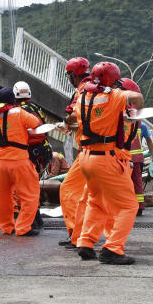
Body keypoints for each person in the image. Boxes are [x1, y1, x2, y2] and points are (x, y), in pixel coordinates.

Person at [73, 62, 144, 264]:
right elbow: (137, 98)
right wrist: (134, 111)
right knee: (129, 205)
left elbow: (72, 119)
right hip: (106, 158)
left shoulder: (83, 97)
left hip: (86, 158)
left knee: (96, 201)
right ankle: (113, 249)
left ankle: (85, 243)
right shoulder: (114, 96)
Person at [0, 87, 43, 236]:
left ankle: (6, 226)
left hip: (0, 161)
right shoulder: (19, 112)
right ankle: (23, 228)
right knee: (30, 195)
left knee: (5, 196)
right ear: (13, 100)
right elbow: (36, 123)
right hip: (19, 159)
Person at [57, 57, 92, 248]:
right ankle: (82, 236)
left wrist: (67, 121)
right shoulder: (93, 88)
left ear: (73, 74)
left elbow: (75, 115)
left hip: (89, 150)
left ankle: (77, 234)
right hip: (94, 150)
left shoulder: (83, 90)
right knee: (91, 197)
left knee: (68, 189)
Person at [121, 78, 153, 217]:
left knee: (125, 183)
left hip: (125, 157)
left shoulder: (123, 119)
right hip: (137, 158)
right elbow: (149, 141)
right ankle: (139, 206)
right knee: (137, 182)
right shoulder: (140, 123)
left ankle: (128, 206)